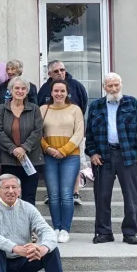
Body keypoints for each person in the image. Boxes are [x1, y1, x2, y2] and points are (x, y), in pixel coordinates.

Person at [86, 72, 137, 246]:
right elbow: (89, 133)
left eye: (116, 85)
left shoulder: (132, 103)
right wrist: (92, 152)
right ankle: (104, 232)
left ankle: (130, 232)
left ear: (121, 85)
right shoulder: (96, 106)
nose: (113, 89)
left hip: (128, 155)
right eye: (110, 86)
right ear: (104, 87)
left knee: (131, 196)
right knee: (102, 196)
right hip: (103, 156)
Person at [40, 80, 85, 244]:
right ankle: (56, 227)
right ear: (51, 93)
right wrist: (48, 149)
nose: (59, 94)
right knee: (53, 194)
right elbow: (38, 133)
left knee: (66, 194)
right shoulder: (43, 110)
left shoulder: (75, 110)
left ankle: (65, 229)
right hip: (49, 155)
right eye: (56, 91)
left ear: (67, 93)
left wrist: (64, 150)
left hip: (70, 156)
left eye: (62, 91)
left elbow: (79, 133)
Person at [0, 76, 43, 205]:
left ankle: (28, 225)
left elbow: (38, 131)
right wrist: (14, 149)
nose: (20, 91)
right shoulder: (1, 109)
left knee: (29, 197)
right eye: (17, 88)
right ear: (10, 90)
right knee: (9, 197)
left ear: (27, 91)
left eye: (23, 88)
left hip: (30, 160)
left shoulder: (34, 109)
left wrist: (24, 148)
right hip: (8, 160)